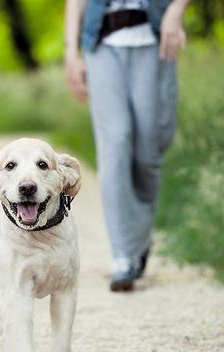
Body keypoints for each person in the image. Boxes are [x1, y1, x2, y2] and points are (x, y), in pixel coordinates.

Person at [64, 0, 188, 291]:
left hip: (154, 38)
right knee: (115, 142)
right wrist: (71, 52)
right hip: (101, 43)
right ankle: (122, 255)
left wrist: (177, 9)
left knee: (148, 152)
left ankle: (139, 237)